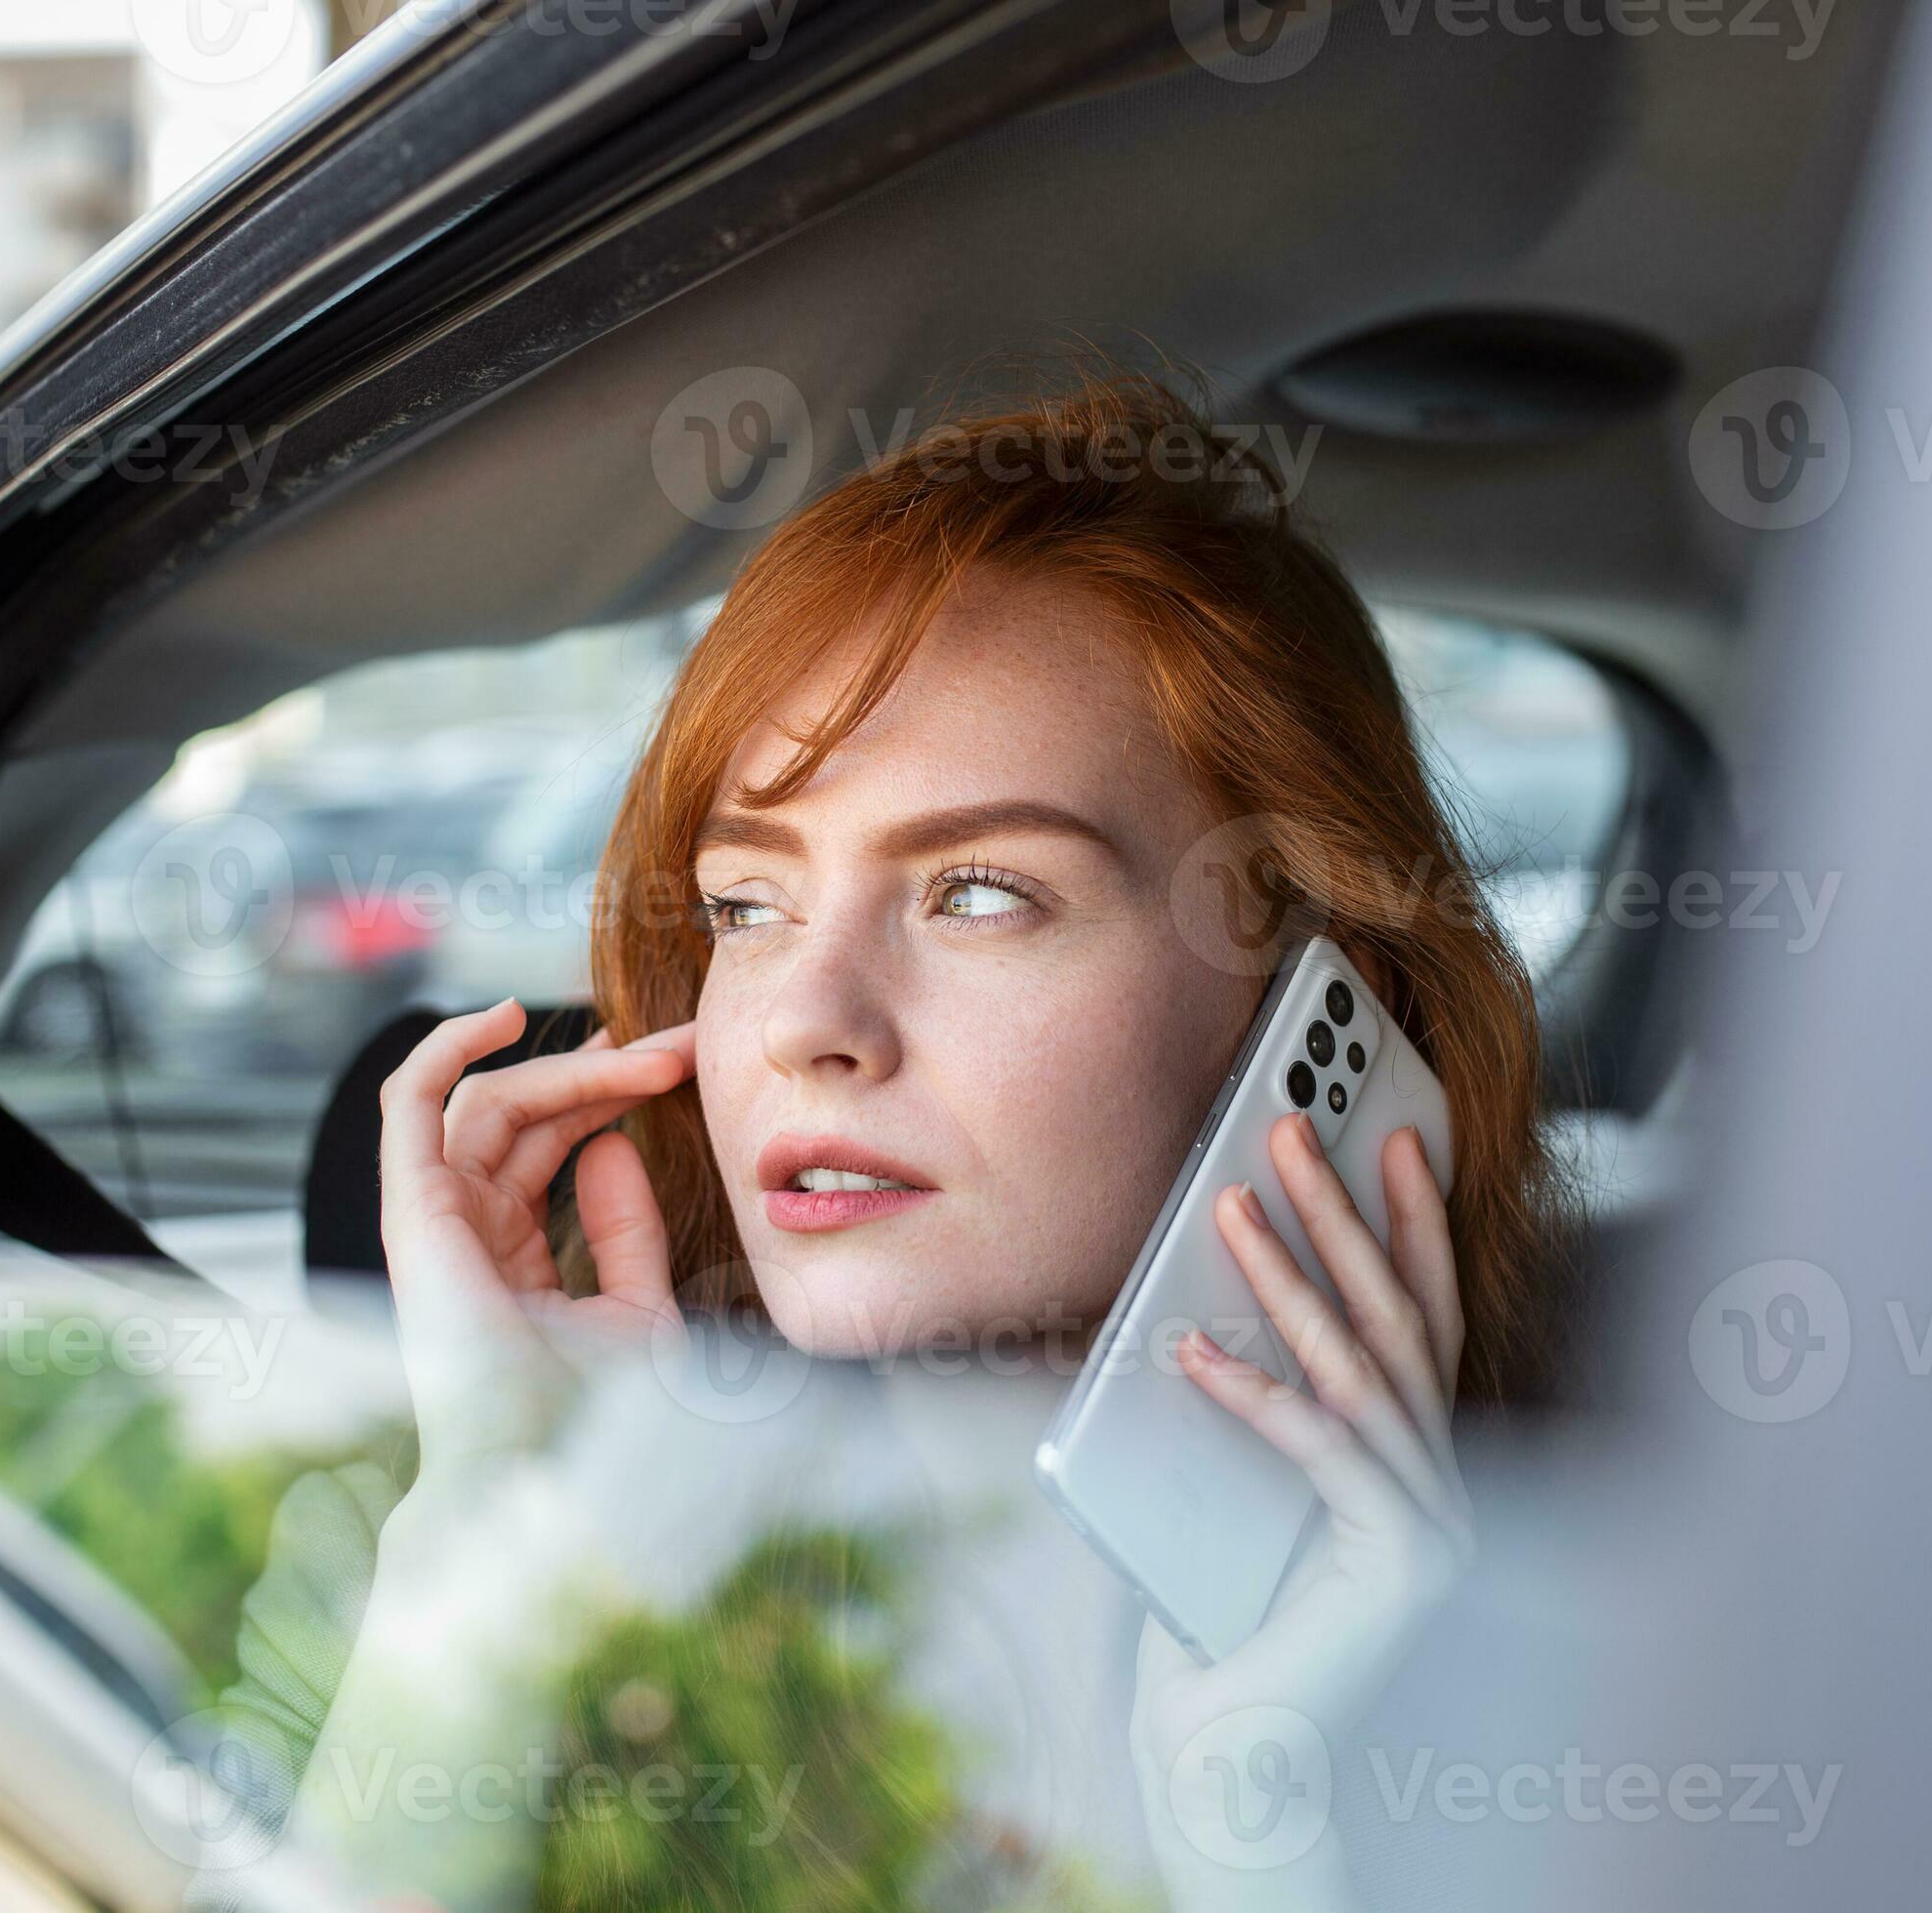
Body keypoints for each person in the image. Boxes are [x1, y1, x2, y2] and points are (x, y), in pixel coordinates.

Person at [229, 369, 1570, 1910]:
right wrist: (503, 1525)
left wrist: (1251, 1835)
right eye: (748, 904)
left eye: (982, 892)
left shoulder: (1579, 1639)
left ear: (1310, 1000)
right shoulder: (526, 1529)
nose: (809, 1019)